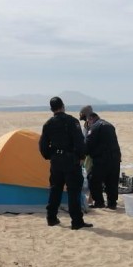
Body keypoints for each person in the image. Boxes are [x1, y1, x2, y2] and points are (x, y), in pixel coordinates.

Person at [39, 97, 92, 230]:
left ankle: (51, 218)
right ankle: (76, 221)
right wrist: (81, 156)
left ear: (51, 109)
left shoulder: (48, 124)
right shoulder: (71, 121)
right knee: (73, 191)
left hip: (56, 161)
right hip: (70, 160)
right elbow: (79, 141)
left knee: (55, 189)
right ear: (63, 106)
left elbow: (43, 145)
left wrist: (50, 155)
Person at [85, 112, 122, 209]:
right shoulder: (110, 125)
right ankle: (112, 203)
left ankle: (99, 202)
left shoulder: (94, 127)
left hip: (102, 159)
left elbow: (88, 143)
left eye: (88, 122)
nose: (88, 124)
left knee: (93, 179)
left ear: (91, 119)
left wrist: (84, 153)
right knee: (112, 181)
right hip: (115, 157)